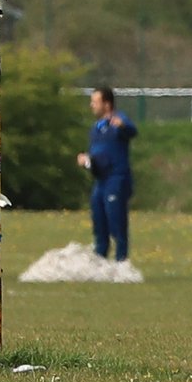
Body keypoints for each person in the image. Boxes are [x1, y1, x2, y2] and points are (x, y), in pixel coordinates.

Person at [77, 86, 137, 262]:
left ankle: (121, 260)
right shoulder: (96, 128)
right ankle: (100, 258)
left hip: (116, 179)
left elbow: (131, 131)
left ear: (107, 104)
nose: (92, 105)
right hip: (100, 181)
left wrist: (123, 126)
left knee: (116, 220)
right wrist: (87, 161)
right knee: (99, 220)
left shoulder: (117, 120)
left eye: (95, 102)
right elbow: (99, 156)